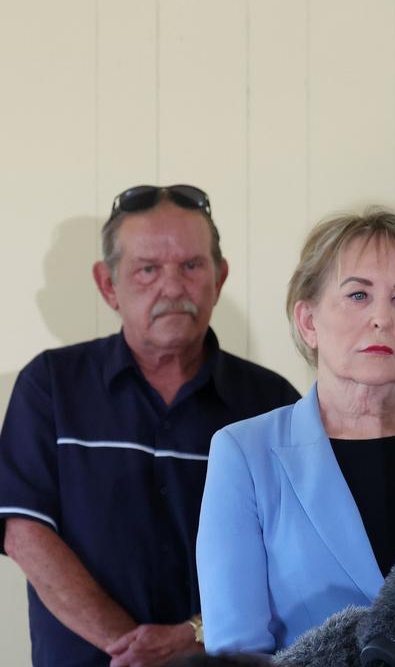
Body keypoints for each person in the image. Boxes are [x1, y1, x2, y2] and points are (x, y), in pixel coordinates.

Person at [0, 185, 300, 667]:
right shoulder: (52, 386)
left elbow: (294, 554)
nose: (172, 287)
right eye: (147, 270)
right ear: (107, 284)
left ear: (219, 278)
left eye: (191, 266)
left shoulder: (272, 404)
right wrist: (131, 649)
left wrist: (193, 636)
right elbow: (25, 534)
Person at [195, 208, 395, 666]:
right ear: (308, 321)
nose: (381, 318)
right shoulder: (245, 454)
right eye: (358, 295)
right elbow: (237, 651)